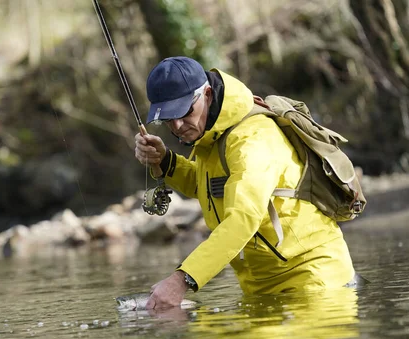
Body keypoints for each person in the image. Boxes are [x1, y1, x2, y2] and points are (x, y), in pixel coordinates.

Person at [135, 56, 360, 310]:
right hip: (262, 289)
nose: (176, 126)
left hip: (315, 285)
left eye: (184, 112)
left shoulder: (252, 139)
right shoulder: (210, 135)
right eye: (167, 119)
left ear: (207, 94)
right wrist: (166, 161)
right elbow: (209, 188)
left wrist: (182, 279)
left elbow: (242, 220)